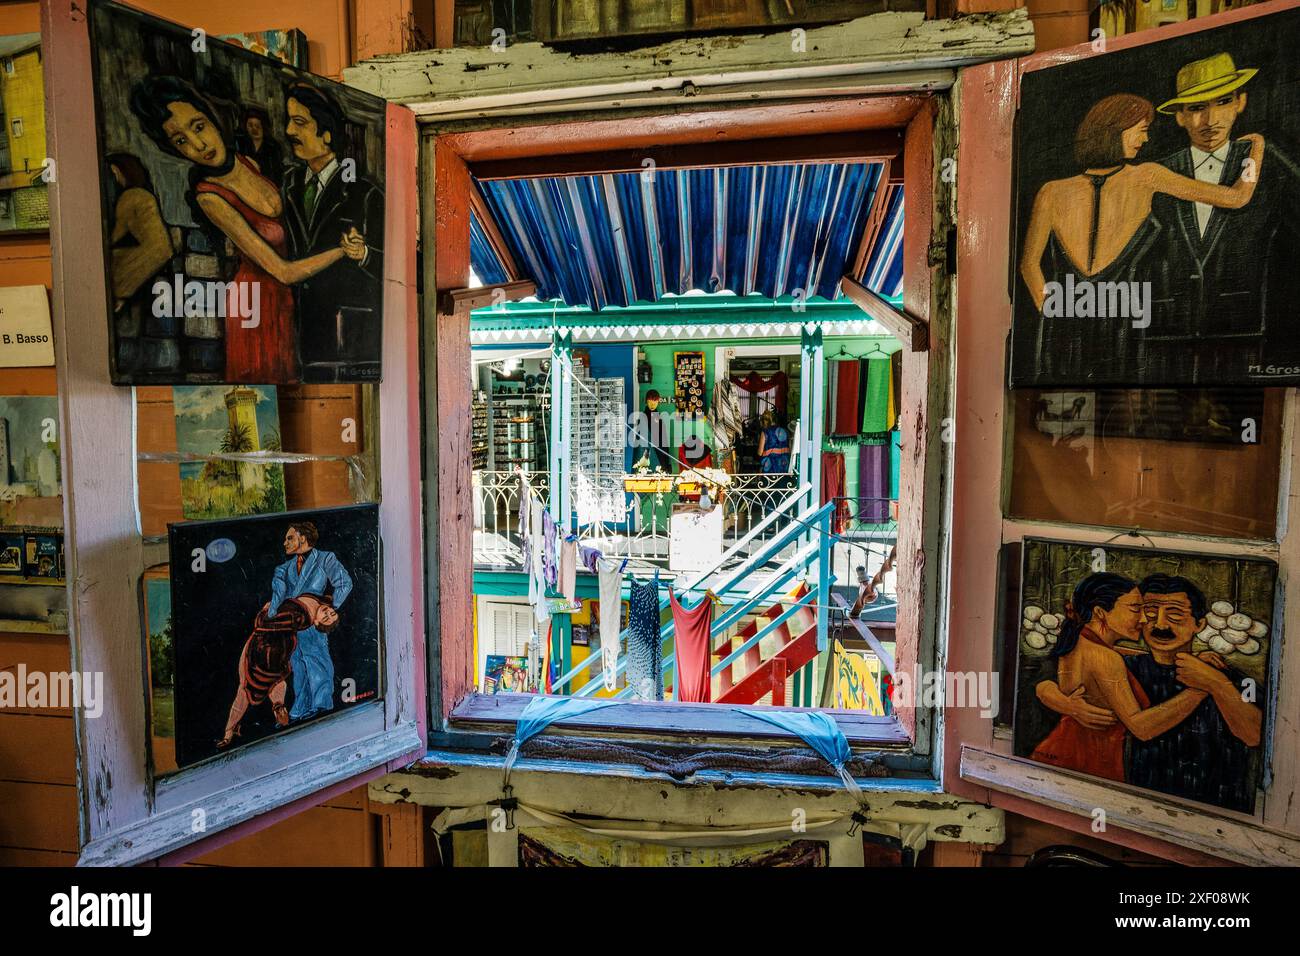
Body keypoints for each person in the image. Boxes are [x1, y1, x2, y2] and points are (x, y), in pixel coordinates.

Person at [129, 76, 364, 383]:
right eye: (180, 141)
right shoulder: (209, 197)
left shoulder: (249, 161)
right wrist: (341, 251)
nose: (198, 146)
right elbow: (283, 271)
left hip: (287, 302)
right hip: (255, 308)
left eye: (198, 126)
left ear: (213, 117)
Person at [1019, 92, 1264, 382]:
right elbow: (1237, 197)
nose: (1145, 140)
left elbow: (1029, 266)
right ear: (1116, 129)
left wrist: (1055, 310)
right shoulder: (1147, 177)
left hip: (1062, 323)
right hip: (1122, 320)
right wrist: (1256, 150)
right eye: (1142, 131)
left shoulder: (1051, 192)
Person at [1147, 53, 1300, 379]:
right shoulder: (1159, 174)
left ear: (1240, 103)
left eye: (1223, 102)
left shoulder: (1268, 163)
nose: (1211, 120)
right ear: (1180, 117)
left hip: (1242, 333)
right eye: (1197, 108)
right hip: (1166, 337)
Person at [1030, 573, 1209, 782]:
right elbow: (1141, 728)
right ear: (1101, 612)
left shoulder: (1079, 642)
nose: (1143, 619)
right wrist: (1200, 689)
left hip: (1063, 752)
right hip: (1089, 759)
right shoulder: (1106, 658)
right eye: (1135, 609)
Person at [1124, 574, 1262, 812]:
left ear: (1199, 624)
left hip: (1220, 809)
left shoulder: (1227, 675)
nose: (1160, 624)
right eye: (1150, 612)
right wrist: (1200, 687)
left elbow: (1254, 735)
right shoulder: (1127, 670)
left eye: (1175, 614)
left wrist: (1216, 684)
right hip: (1140, 803)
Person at [280, 82, 385, 382]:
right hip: (298, 331)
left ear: (327, 134)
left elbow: (397, 271)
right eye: (289, 121)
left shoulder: (364, 194)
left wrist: (363, 253)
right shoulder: (288, 186)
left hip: (347, 337)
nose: (289, 131)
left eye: (299, 123)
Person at [216, 592, 338, 750]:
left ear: (315, 622)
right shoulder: (316, 605)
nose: (328, 613)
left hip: (264, 646)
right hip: (280, 649)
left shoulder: (299, 616)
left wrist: (266, 610)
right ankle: (278, 705)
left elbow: (263, 622)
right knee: (274, 680)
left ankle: (228, 732)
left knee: (245, 685)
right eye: (331, 613)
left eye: (326, 618)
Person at [268, 520, 354, 721]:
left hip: (313, 627)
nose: (285, 543)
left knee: (318, 663)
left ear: (303, 538)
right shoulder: (283, 569)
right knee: (297, 667)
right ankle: (300, 708)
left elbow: (344, 583)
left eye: (290, 538)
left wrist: (328, 611)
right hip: (291, 627)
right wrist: (272, 616)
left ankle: (322, 704)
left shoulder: (325, 559)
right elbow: (278, 594)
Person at [105, 153, 180, 309]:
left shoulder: (134, 197)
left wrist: (119, 290)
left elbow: (161, 249)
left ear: (119, 172)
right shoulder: (139, 196)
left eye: (112, 174)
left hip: (127, 287)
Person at [234, 106, 285, 187]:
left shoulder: (273, 147)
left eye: (258, 126)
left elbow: (278, 175)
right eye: (250, 125)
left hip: (267, 188)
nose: (254, 129)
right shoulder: (241, 143)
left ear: (264, 127)